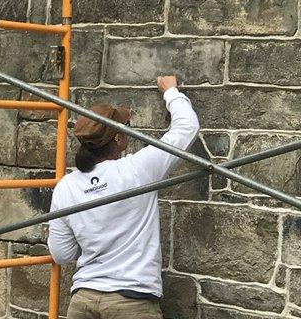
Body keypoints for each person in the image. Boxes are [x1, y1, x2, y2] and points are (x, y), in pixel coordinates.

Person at [47, 75, 199, 319]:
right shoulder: (138, 168)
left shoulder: (66, 186)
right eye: (126, 126)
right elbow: (186, 128)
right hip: (131, 303)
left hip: (84, 302)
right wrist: (171, 91)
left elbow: (61, 253)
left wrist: (94, 237)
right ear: (118, 139)